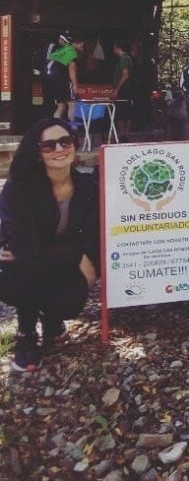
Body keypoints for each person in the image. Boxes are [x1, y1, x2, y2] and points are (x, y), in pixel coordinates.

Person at [0, 118, 99, 372]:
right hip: (25, 267)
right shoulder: (18, 188)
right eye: (49, 145)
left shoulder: (87, 187)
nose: (59, 150)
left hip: (53, 262)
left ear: (74, 145)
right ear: (37, 151)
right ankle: (26, 333)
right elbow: (21, 244)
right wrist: (76, 257)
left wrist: (73, 253)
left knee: (68, 301)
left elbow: (89, 236)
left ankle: (52, 319)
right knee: (26, 267)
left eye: (65, 142)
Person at [44, 33, 84, 119]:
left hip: (52, 80)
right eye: (81, 45)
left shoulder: (61, 50)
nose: (82, 48)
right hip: (62, 79)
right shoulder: (71, 51)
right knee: (72, 104)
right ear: (75, 43)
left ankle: (55, 127)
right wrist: (75, 85)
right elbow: (72, 70)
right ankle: (72, 128)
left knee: (61, 106)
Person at [112, 40, 134, 139]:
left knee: (121, 111)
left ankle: (123, 133)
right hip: (126, 88)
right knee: (126, 110)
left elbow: (125, 75)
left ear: (117, 48)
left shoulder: (124, 59)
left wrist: (117, 89)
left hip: (124, 89)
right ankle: (124, 133)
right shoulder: (126, 58)